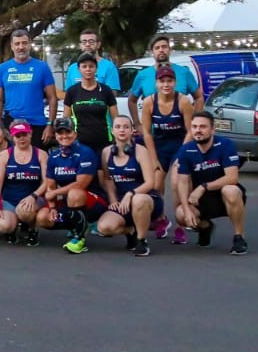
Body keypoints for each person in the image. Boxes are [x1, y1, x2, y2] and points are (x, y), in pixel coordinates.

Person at [172, 111, 247, 254]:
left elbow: (232, 177)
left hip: (223, 195)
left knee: (231, 190)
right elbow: (182, 182)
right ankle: (205, 227)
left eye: (203, 126)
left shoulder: (225, 144)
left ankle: (239, 237)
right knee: (180, 214)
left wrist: (203, 187)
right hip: (200, 199)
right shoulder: (186, 150)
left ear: (212, 129)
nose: (198, 130)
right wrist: (187, 209)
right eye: (194, 127)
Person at [141, 65, 195, 244]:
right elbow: (146, 132)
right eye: (162, 81)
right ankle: (161, 219)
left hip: (181, 144)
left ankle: (180, 226)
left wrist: (182, 155)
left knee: (177, 183)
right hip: (160, 146)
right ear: (156, 83)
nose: (166, 85)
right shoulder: (149, 102)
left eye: (169, 81)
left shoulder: (183, 101)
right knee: (156, 185)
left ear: (175, 82)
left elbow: (190, 130)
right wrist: (153, 158)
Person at [97, 114, 161, 257]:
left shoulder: (141, 151)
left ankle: (141, 241)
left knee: (139, 200)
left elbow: (150, 182)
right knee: (104, 228)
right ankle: (131, 231)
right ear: (112, 130)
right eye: (118, 127)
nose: (122, 130)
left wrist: (131, 193)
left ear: (132, 130)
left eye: (126, 127)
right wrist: (113, 200)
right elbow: (108, 179)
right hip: (122, 201)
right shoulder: (106, 152)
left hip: (146, 198)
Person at [0, 31, 59, 147]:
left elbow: (52, 98)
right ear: (12, 46)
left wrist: (49, 125)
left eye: (24, 43)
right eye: (17, 44)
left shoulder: (42, 67)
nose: (21, 47)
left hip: (37, 123)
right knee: (13, 157)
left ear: (30, 44)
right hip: (12, 122)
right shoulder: (2, 69)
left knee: (36, 157)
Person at [0, 122, 48, 246]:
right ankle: (13, 227)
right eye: (18, 136)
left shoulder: (41, 154)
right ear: (12, 137)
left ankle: (32, 228)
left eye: (24, 135)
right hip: (10, 199)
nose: (22, 138)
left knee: (24, 211)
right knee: (4, 226)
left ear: (30, 134)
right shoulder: (4, 155)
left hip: (33, 198)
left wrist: (33, 196)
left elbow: (47, 182)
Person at [126, 35, 202, 109]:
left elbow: (199, 97)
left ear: (170, 50)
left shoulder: (184, 72)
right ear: (152, 52)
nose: (161, 50)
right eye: (157, 48)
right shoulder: (142, 75)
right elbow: (132, 101)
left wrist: (196, 116)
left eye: (164, 47)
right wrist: (135, 118)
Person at [63, 54, 116, 154]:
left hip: (104, 141)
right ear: (79, 69)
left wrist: (116, 138)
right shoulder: (72, 91)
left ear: (96, 68)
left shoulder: (106, 90)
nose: (88, 69)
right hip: (79, 143)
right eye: (84, 66)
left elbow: (115, 117)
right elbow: (66, 119)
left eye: (91, 66)